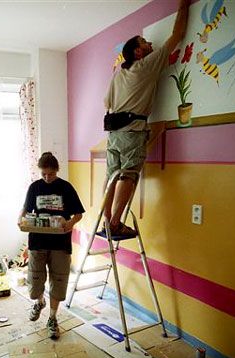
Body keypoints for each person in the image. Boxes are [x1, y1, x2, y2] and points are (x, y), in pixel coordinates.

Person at [102, 0, 190, 238]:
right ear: (138, 52)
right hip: (132, 131)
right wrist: (183, 6)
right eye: (144, 42)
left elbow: (106, 103)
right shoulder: (146, 66)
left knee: (111, 177)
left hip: (114, 134)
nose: (150, 43)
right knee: (128, 175)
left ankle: (107, 221)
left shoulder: (118, 75)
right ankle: (116, 224)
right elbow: (178, 35)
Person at [18, 152, 85, 339]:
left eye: (51, 174)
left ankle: (53, 318)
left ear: (57, 170)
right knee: (35, 280)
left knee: (59, 280)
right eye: (44, 174)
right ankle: (39, 302)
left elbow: (79, 214)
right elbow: (26, 209)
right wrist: (20, 218)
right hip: (37, 242)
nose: (47, 178)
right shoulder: (35, 187)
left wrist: (69, 224)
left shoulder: (66, 188)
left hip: (60, 244)